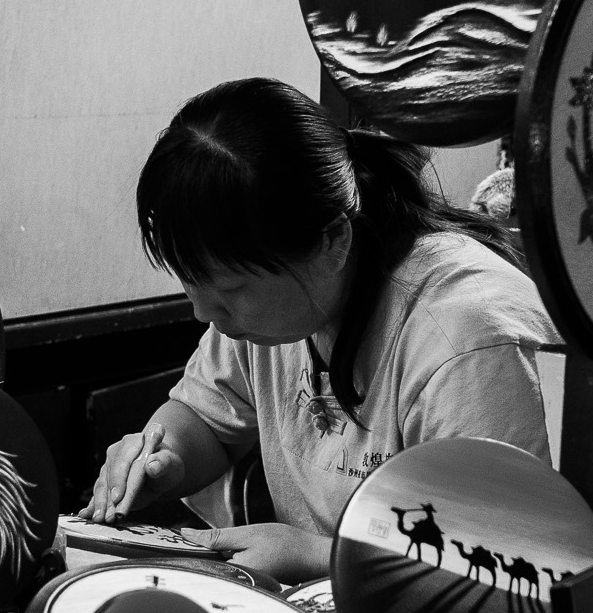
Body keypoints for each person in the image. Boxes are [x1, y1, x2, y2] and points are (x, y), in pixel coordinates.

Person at [79, 78, 556, 582]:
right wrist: (166, 455)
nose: (203, 313)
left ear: (332, 241)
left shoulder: (467, 339)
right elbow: (204, 416)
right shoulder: (273, 298)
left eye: (231, 289)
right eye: (191, 283)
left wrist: (316, 556)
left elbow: (505, 572)